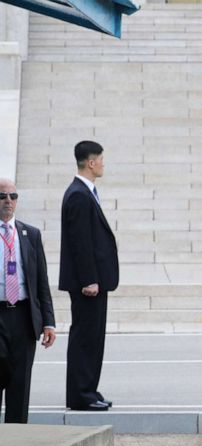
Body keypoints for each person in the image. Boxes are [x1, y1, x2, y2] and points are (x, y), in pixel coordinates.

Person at [59, 141, 118, 412]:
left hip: (94, 280)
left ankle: (89, 390)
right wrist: (89, 280)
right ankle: (82, 395)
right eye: (102, 160)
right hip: (88, 284)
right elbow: (80, 242)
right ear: (91, 163)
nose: (104, 164)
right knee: (86, 337)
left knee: (93, 337)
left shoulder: (85, 193)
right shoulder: (79, 195)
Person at [0, 179, 56, 424]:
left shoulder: (30, 234)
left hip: (23, 315)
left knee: (20, 383)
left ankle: (16, 441)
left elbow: (41, 281)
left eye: (13, 196)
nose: (8, 201)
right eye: (2, 196)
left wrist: (48, 322)